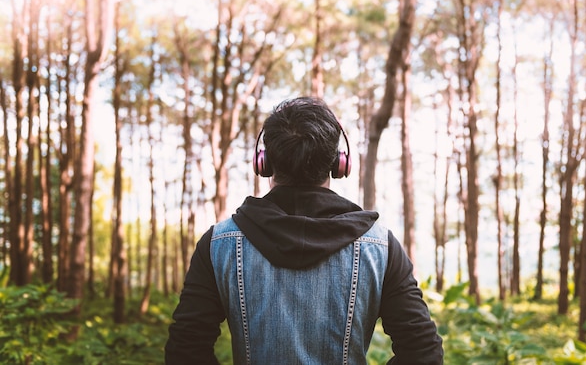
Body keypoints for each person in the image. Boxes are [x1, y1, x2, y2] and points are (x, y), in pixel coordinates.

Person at [165, 96, 444, 364]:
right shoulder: (381, 247)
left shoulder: (219, 244)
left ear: (264, 162)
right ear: (338, 162)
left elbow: (186, 351)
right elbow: (423, 354)